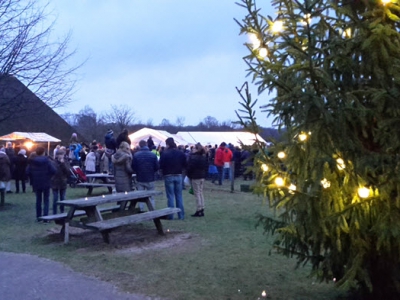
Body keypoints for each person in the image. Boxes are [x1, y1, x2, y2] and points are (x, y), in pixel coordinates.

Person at [159, 137, 187, 220]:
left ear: (167, 144)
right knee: (179, 196)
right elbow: (185, 164)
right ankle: (181, 215)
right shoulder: (181, 153)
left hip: (168, 175)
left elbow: (161, 165)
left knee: (170, 196)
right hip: (178, 175)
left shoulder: (164, 153)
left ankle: (170, 215)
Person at [26, 147, 56, 222]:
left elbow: (27, 172)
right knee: (46, 200)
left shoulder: (32, 162)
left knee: (38, 200)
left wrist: (32, 177)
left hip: (36, 182)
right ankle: (46, 218)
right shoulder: (47, 161)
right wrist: (49, 176)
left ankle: (38, 217)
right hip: (46, 182)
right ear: (43, 152)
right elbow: (54, 170)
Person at [132, 140, 159, 212]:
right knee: (151, 196)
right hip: (150, 178)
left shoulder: (136, 155)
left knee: (140, 196)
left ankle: (141, 210)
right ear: (146, 144)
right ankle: (152, 210)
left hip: (140, 178)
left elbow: (133, 167)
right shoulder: (153, 155)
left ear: (140, 145)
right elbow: (156, 167)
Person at [187, 144, 208, 217]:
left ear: (196, 149)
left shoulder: (193, 157)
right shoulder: (203, 157)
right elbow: (206, 167)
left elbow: (190, 167)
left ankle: (199, 209)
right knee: (200, 192)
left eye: (194, 148)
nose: (192, 149)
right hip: (202, 176)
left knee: (197, 194)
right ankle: (202, 208)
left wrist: (189, 175)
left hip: (195, 176)